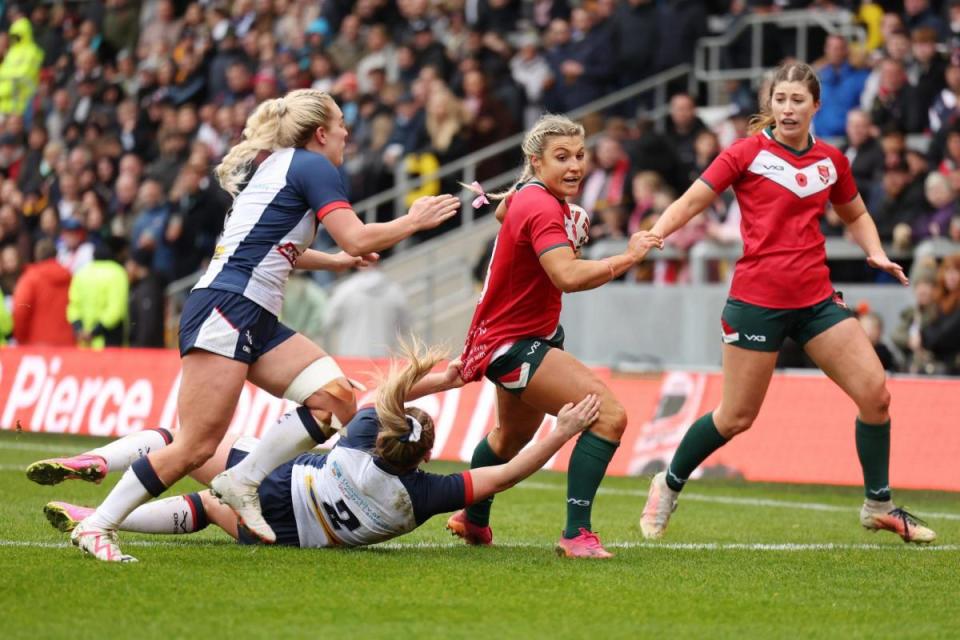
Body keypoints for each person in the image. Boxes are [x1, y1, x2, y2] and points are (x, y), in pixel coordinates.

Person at [65, 89, 461, 562]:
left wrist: (334, 264)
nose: (346, 133)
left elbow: (270, 245)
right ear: (320, 133)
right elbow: (356, 235)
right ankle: (97, 525)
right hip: (229, 306)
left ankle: (243, 480)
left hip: (248, 309)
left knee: (335, 398)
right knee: (194, 446)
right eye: (340, 124)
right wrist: (412, 220)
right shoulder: (315, 167)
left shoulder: (275, 165)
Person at [639, 62, 937, 545]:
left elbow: (856, 212)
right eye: (780, 100)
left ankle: (878, 505)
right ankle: (668, 483)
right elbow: (694, 199)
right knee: (736, 417)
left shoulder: (831, 161)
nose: (788, 108)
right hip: (756, 301)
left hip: (816, 299)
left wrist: (875, 251)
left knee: (876, 396)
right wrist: (656, 232)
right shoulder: (745, 153)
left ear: (816, 106)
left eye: (798, 100)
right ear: (769, 105)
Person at [31, 344, 602, 553]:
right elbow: (506, 473)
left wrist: (445, 378)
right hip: (290, 536)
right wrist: (560, 431)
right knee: (205, 508)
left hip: (280, 486)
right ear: (422, 458)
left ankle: (99, 465)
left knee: (178, 445)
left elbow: (378, 394)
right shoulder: (426, 494)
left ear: (386, 432)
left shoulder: (359, 438)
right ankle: (100, 519)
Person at [448, 114, 660, 559]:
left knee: (508, 439)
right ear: (535, 161)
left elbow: (505, 210)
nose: (575, 166)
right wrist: (628, 257)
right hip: (514, 343)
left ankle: (472, 519)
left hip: (511, 338)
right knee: (608, 417)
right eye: (561, 157)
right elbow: (565, 275)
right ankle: (576, 534)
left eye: (580, 156)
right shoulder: (542, 205)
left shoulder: (529, 196)